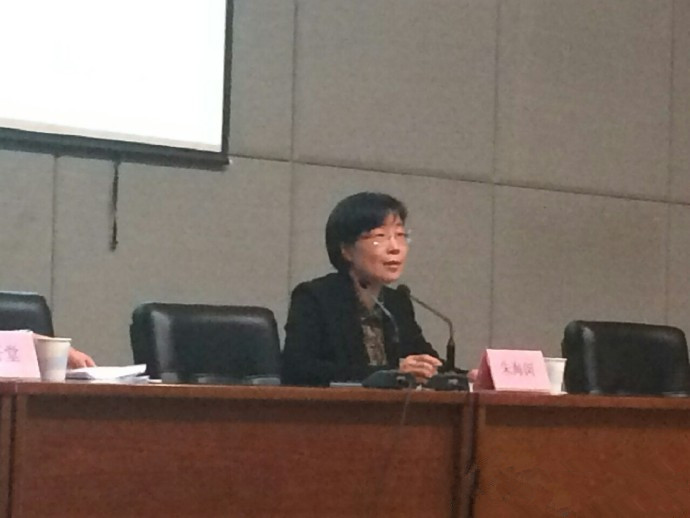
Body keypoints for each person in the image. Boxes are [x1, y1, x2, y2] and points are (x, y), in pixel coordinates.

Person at [282, 192, 442, 386]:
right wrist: (390, 374)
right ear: (347, 250)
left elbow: (425, 361)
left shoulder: (397, 303)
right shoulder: (315, 297)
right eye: (380, 236)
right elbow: (298, 369)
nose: (395, 248)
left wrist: (463, 377)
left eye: (400, 235)